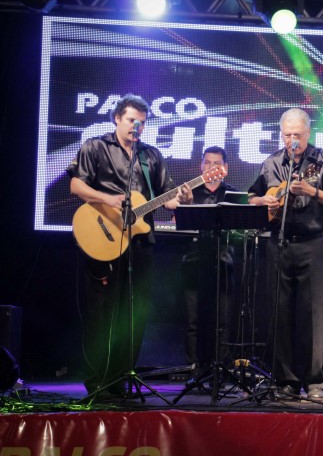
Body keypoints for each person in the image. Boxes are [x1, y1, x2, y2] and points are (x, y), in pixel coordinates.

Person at [67, 93, 193, 395]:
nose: (137, 127)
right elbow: (75, 185)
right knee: (103, 313)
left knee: (134, 314)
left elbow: (168, 199)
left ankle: (121, 379)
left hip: (140, 243)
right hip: (104, 238)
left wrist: (184, 197)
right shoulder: (96, 146)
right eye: (131, 121)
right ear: (117, 118)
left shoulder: (151, 156)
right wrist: (108, 198)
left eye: (142, 123)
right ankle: (98, 381)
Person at [248, 108, 323, 401]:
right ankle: (286, 381)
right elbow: (251, 197)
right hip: (279, 243)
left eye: (298, 135)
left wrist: (312, 192)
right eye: (288, 135)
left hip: (312, 244)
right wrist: (263, 201)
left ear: (308, 133)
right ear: (281, 135)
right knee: (280, 314)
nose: (293, 140)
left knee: (313, 315)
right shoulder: (271, 163)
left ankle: (314, 381)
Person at [180, 146, 239, 381]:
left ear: (225, 168)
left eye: (217, 163)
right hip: (194, 262)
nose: (212, 167)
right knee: (193, 320)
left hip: (224, 263)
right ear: (201, 165)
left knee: (222, 320)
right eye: (207, 162)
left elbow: (240, 231)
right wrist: (186, 205)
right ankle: (193, 367)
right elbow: (179, 223)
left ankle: (221, 369)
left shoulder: (233, 194)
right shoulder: (189, 192)